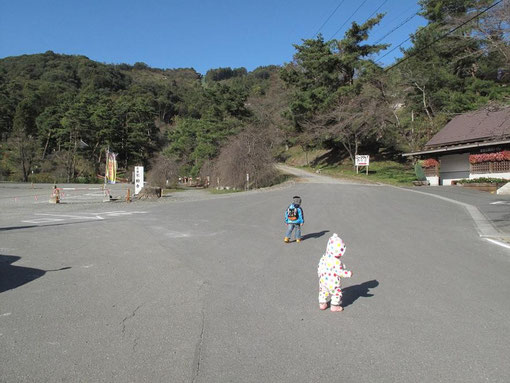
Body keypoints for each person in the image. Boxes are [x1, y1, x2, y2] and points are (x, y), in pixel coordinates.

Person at [317, 233, 353, 312]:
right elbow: (339, 272)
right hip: (333, 282)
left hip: (323, 279)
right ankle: (334, 306)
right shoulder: (337, 262)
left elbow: (320, 267)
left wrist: (319, 274)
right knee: (337, 292)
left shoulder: (323, 257)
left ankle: (322, 304)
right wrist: (348, 273)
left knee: (323, 291)